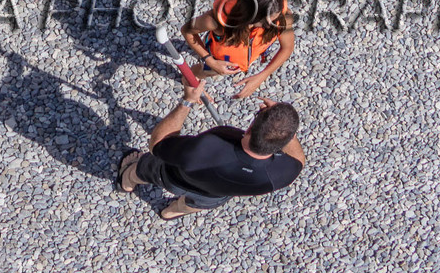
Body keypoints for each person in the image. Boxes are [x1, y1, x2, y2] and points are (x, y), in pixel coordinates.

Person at [117, 87, 305, 221]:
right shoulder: (283, 173)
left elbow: (157, 145)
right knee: (193, 205)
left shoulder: (209, 147)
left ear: (249, 127)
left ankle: (127, 182)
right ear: (285, 142)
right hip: (213, 196)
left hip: (172, 178)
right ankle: (170, 212)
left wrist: (187, 101)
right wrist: (284, 128)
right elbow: (299, 159)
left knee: (143, 169)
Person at [180, 0, 296, 99]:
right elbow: (187, 31)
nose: (271, 25)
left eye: (274, 19)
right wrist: (210, 61)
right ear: (250, 17)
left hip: (244, 57)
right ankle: (188, 80)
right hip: (220, 57)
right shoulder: (216, 21)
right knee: (206, 71)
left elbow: (287, 47)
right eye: (265, 23)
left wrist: (262, 76)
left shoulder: (282, 15)